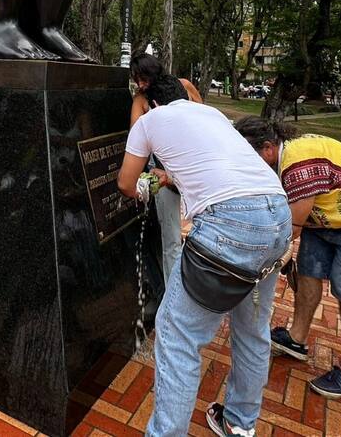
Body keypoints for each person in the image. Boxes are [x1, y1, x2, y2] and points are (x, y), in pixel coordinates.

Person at [117, 76, 291, 437]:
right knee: (252, 330)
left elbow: (125, 183)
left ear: (151, 103)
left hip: (230, 225)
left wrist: (139, 108)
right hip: (277, 216)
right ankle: (240, 424)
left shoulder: (149, 121)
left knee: (177, 335)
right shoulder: (210, 115)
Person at [234, 117, 341, 399]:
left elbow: (290, 230)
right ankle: (296, 339)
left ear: (268, 148)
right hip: (326, 220)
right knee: (309, 274)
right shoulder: (284, 157)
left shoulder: (298, 166)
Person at [128, 52, 203, 282]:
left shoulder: (185, 86)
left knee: (204, 231)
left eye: (143, 77)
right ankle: (173, 292)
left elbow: (203, 117)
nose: (140, 84)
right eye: (136, 79)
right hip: (163, 173)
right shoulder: (141, 99)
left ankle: (199, 282)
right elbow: (136, 136)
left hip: (195, 170)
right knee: (170, 238)